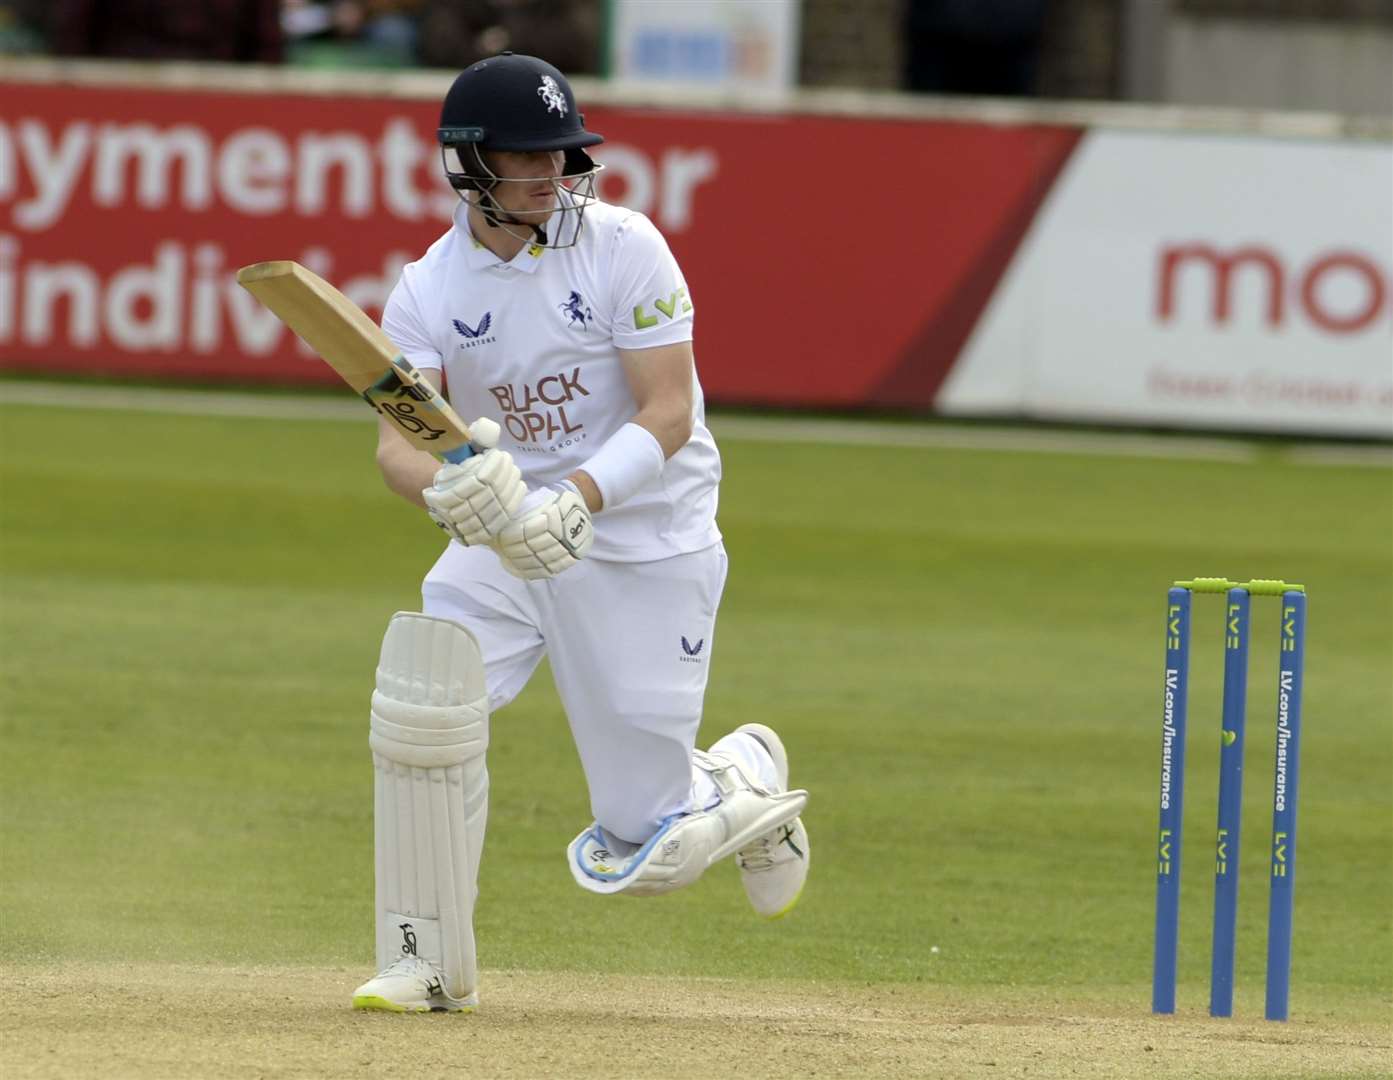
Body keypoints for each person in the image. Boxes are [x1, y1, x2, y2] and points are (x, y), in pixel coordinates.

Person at [350, 52, 812, 1014]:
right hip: (506, 538)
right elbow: (402, 442)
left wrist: (579, 499)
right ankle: (424, 958)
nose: (555, 178)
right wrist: (447, 501)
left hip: (646, 536)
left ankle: (737, 776)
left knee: (646, 844)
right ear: (470, 166)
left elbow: (670, 410)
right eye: (531, 160)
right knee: (426, 697)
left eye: (564, 158)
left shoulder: (625, 246)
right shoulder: (425, 289)